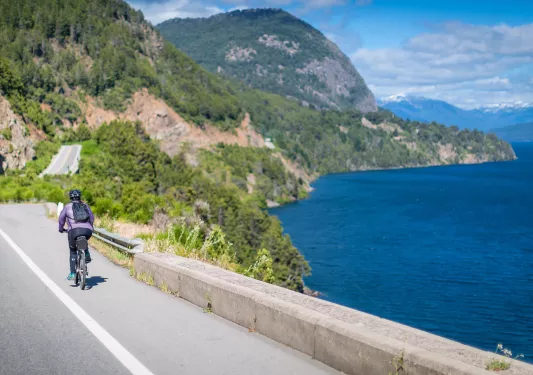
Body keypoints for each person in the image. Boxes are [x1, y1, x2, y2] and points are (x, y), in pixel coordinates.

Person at [58, 189, 95, 280]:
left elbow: (61, 220)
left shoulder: (67, 207)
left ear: (70, 197)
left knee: (73, 251)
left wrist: (61, 229)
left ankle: (73, 273)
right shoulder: (85, 205)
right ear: (79, 197)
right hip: (87, 231)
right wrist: (90, 227)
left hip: (74, 232)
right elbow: (92, 218)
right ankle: (86, 252)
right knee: (84, 240)